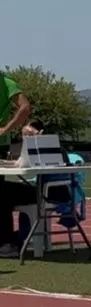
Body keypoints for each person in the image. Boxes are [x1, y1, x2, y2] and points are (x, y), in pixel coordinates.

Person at [0, 70, 35, 256]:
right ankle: (7, 242)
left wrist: (6, 128)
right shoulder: (7, 83)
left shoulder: (7, 83)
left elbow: (24, 107)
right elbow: (24, 107)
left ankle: (6, 242)